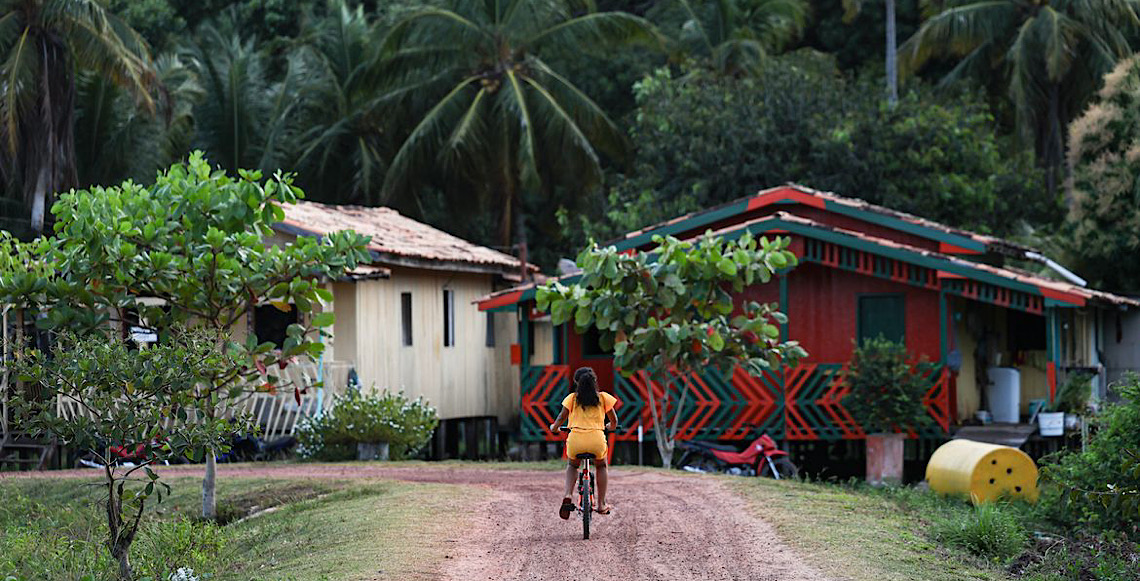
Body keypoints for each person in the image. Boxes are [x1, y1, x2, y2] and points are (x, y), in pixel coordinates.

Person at [548, 367, 619, 518]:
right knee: (601, 465)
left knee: (573, 465)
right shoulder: (603, 398)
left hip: (576, 440)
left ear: (576, 383)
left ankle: (568, 494)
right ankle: (601, 504)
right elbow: (614, 420)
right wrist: (610, 427)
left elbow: (561, 417)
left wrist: (554, 428)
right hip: (596, 440)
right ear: (595, 382)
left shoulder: (572, 398)